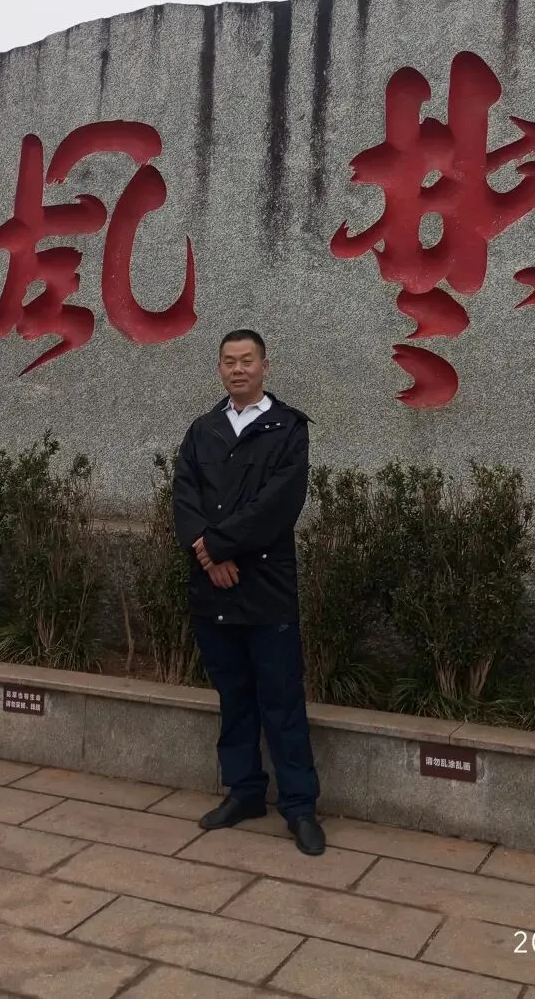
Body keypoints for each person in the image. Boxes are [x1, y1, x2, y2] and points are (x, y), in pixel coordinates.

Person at [172, 329, 325, 856]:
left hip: (266, 586)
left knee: (282, 701)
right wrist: (208, 556)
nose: (238, 369)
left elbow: (278, 504)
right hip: (213, 587)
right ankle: (244, 792)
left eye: (247, 361)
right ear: (219, 369)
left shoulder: (289, 428)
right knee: (234, 698)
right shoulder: (203, 429)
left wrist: (217, 546)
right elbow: (184, 496)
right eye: (229, 362)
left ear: (265, 366)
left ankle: (300, 807)